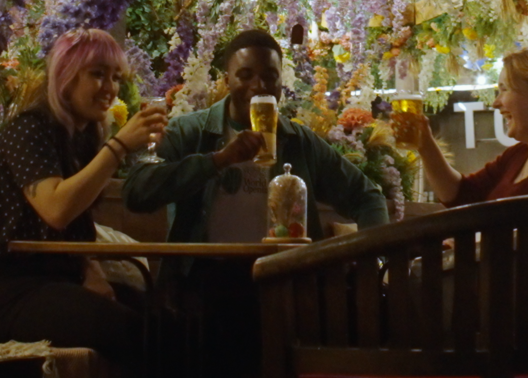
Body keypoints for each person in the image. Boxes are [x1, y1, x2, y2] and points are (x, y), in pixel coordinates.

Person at [123, 28, 388, 376]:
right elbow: (137, 192)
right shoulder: (190, 132)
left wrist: (371, 262)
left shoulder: (298, 141)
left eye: (269, 76)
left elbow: (367, 196)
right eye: (245, 75)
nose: (258, 86)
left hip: (283, 281)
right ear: (226, 80)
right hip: (205, 281)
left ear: (280, 83)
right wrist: (218, 160)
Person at [0, 28, 167, 371]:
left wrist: (90, 268)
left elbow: (76, 224)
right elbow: (56, 209)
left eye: (116, 77)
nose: (110, 88)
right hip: (8, 290)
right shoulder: (30, 128)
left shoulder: (83, 137)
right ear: (66, 77)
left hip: (59, 281)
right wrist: (119, 146)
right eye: (98, 74)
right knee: (131, 330)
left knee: (164, 318)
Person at [404, 45, 528, 215]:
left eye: (504, 89)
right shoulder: (518, 155)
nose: (496, 103)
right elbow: (461, 195)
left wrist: (478, 242)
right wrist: (425, 145)